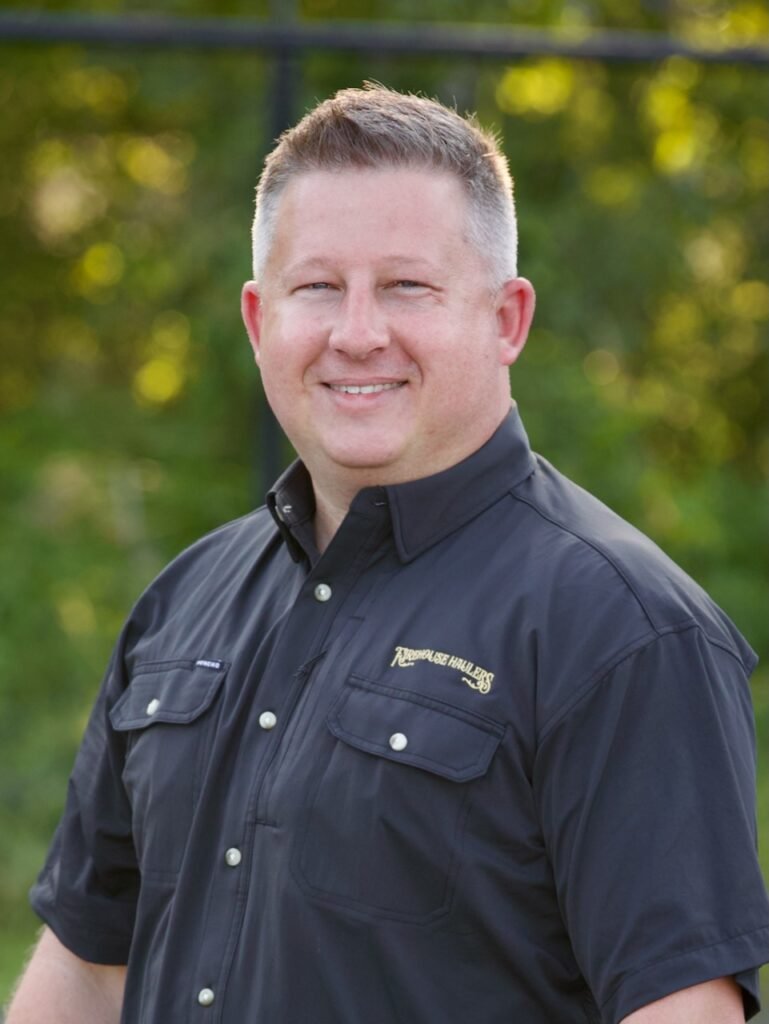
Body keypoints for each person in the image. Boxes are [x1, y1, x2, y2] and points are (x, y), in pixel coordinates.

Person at [6, 84, 769, 1024]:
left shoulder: (623, 630)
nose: (357, 334)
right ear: (258, 319)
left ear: (506, 319)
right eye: (317, 288)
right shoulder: (182, 604)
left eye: (407, 286)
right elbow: (91, 968)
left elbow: (679, 1011)